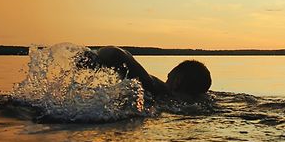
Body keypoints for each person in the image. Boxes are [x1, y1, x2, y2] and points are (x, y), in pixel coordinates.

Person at [78, 46, 212, 103]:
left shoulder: (158, 89)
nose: (166, 81)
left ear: (177, 80)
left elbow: (116, 53)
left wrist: (93, 58)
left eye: (168, 78)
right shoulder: (200, 101)